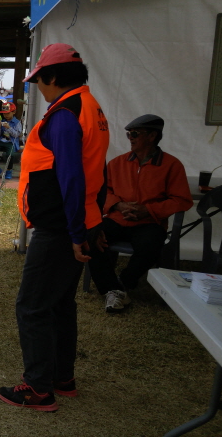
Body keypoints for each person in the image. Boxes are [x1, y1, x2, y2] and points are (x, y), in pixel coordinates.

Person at [0, 43, 109, 412]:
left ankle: (38, 387)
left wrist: (77, 233)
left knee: (32, 306)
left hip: (60, 228)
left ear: (54, 77)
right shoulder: (90, 107)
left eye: (40, 80)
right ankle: (63, 377)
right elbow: (97, 170)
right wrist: (92, 223)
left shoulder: (65, 114)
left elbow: (72, 177)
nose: (39, 88)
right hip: (78, 221)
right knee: (60, 303)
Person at [88, 114, 192, 312]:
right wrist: (118, 205)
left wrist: (148, 210)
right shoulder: (117, 163)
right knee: (92, 236)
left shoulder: (172, 165)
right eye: (128, 134)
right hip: (117, 219)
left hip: (149, 222)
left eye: (135, 134)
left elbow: (182, 200)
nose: (130, 138)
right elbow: (103, 191)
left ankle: (122, 284)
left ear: (152, 136)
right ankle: (112, 288)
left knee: (151, 245)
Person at [0, 101, 22, 180]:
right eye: (4, 114)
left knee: (10, 155)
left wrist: (9, 128)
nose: (6, 115)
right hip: (0, 141)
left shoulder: (17, 122)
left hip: (11, 142)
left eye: (8, 113)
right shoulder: (2, 121)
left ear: (13, 112)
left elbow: (16, 135)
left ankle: (9, 170)